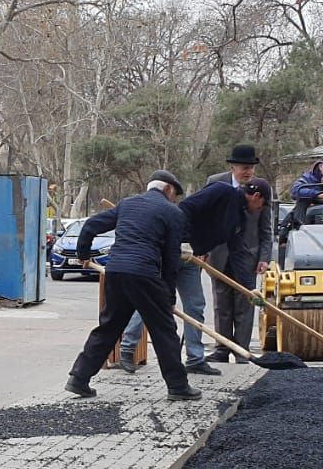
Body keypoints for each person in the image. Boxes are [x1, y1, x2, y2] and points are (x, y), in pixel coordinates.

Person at [115, 176, 272, 375]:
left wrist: (249, 288)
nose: (259, 209)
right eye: (262, 205)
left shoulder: (238, 218)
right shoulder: (221, 191)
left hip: (190, 259)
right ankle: (127, 350)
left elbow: (237, 252)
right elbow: (186, 208)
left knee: (195, 305)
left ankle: (195, 359)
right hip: (171, 252)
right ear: (256, 196)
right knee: (154, 300)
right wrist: (181, 240)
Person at [65, 172, 201, 402]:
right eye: (174, 195)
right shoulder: (173, 212)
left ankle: (79, 378)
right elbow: (171, 258)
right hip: (144, 273)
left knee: (109, 327)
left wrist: (83, 254)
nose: (174, 200)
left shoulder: (127, 204)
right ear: (168, 189)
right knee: (164, 330)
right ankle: (178, 386)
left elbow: (90, 226)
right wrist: (168, 296)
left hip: (116, 272)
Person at [206, 144, 273, 361]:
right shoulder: (215, 183)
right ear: (232, 167)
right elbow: (205, 218)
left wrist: (264, 258)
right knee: (222, 304)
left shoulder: (261, 187)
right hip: (219, 255)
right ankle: (222, 349)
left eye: (251, 167)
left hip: (247, 257)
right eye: (244, 167)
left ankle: (242, 351)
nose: (248, 172)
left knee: (245, 304)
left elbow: (266, 229)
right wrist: (202, 248)